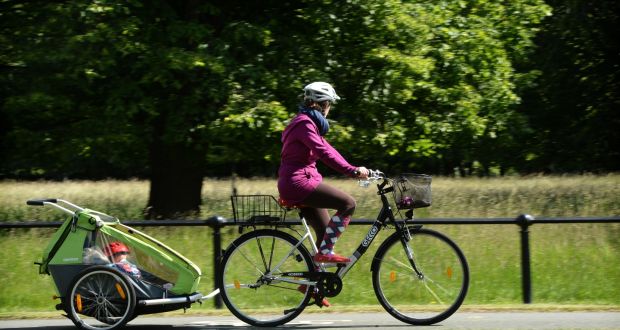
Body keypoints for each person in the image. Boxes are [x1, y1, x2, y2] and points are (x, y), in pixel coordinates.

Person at [278, 81, 370, 265]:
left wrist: (353, 168)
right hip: (298, 183)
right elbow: (323, 152)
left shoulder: (307, 123)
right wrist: (351, 171)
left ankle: (313, 288)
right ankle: (325, 253)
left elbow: (330, 149)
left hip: (298, 181)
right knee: (348, 203)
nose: (330, 109)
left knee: (325, 230)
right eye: (329, 104)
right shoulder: (304, 124)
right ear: (323, 104)